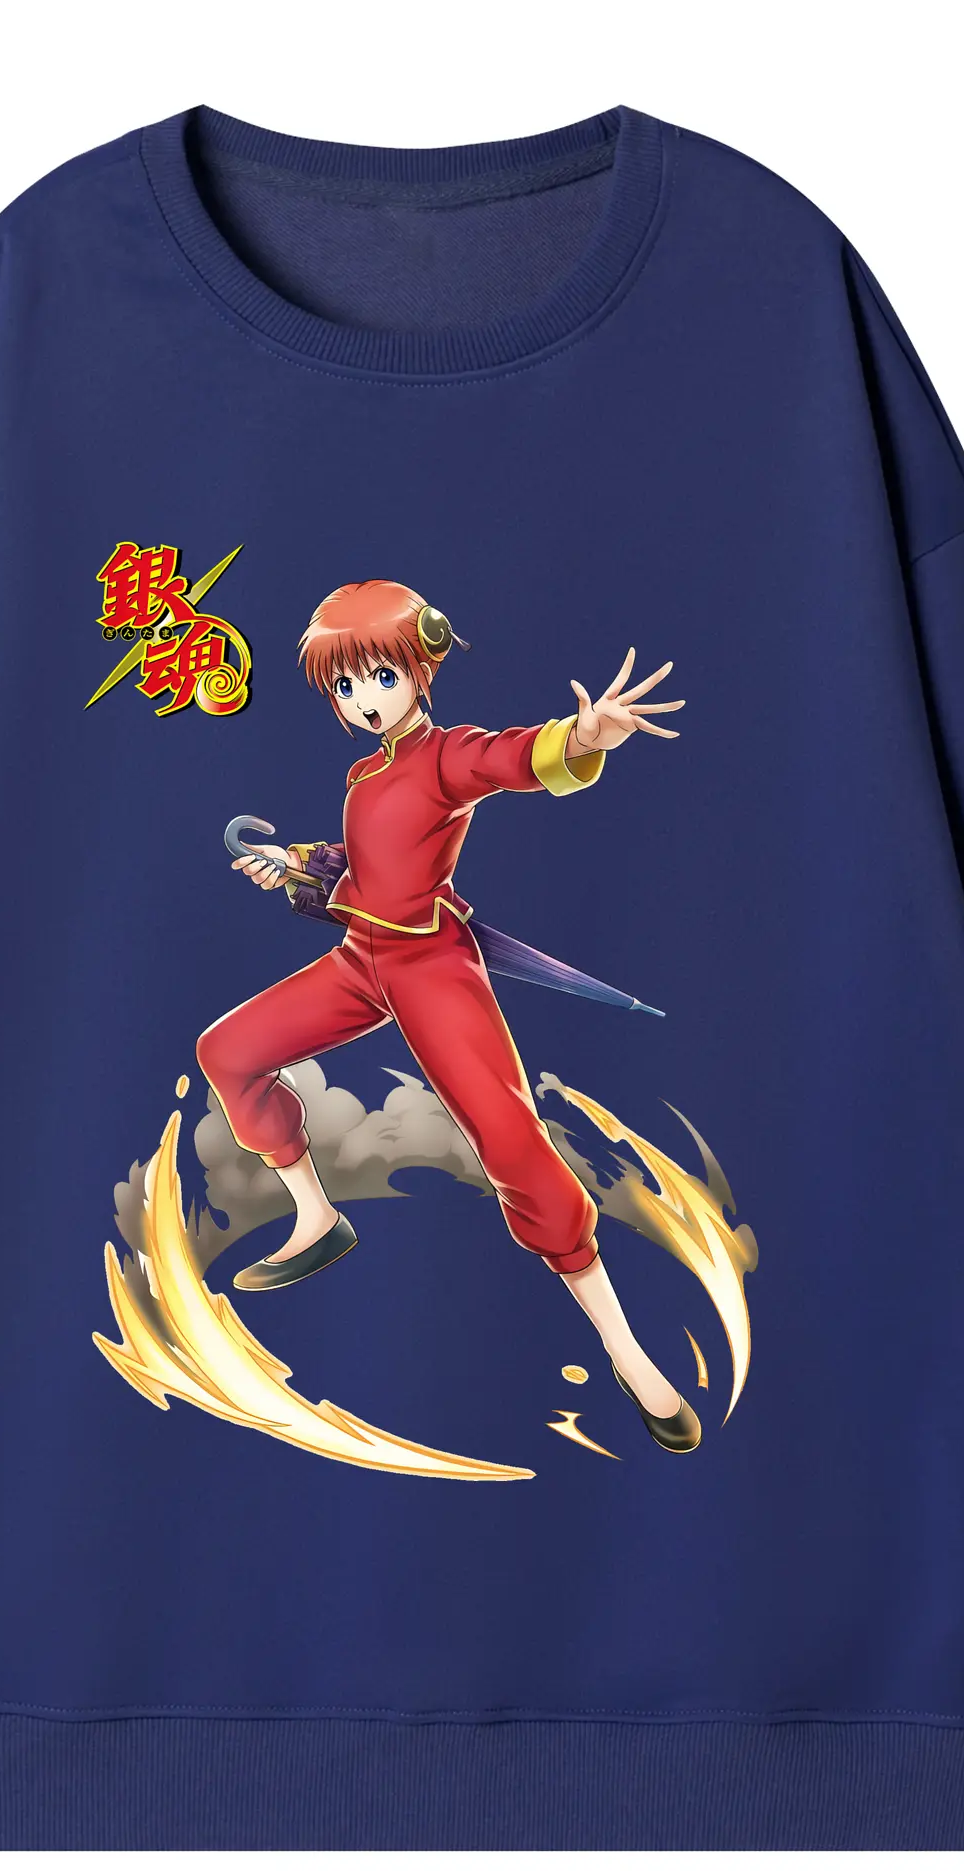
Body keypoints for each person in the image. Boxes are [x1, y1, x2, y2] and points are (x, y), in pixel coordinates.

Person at [196, 579, 699, 1451]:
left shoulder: (444, 756)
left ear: (421, 665)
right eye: (345, 685)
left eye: (380, 677)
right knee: (228, 1050)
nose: (364, 700)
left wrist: (582, 738)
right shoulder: (366, 772)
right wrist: (295, 861)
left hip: (431, 968)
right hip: (361, 961)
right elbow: (366, 862)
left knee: (513, 1146)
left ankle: (627, 1353)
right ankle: (316, 1218)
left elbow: (507, 758)